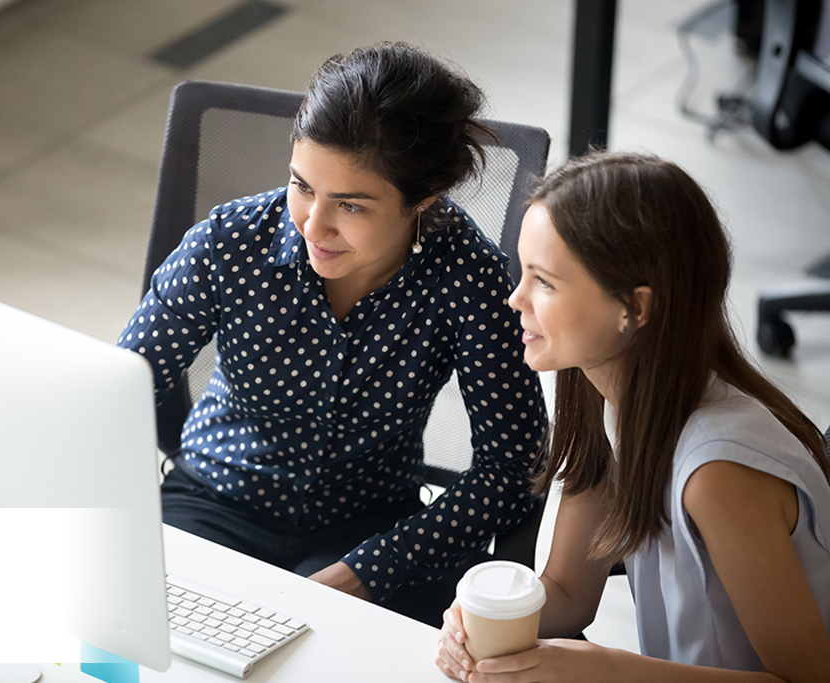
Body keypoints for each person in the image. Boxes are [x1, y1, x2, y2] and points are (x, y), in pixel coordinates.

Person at [117, 42, 548, 623]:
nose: (313, 226)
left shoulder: (467, 276)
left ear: (424, 199)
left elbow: (512, 465)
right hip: (214, 501)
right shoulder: (230, 243)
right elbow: (117, 394)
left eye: (351, 205)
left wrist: (372, 569)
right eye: (302, 186)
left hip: (371, 528)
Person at [435, 151, 830, 681]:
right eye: (523, 273)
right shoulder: (607, 400)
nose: (514, 299)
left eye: (544, 282)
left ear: (635, 309)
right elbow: (571, 594)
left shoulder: (718, 475)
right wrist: (480, 624)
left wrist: (609, 669)